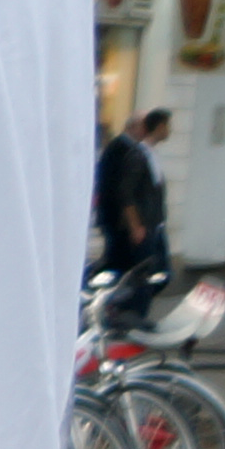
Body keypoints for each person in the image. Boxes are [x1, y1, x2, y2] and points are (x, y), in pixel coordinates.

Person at [93, 104, 173, 325]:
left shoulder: (145, 153)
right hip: (130, 224)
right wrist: (134, 225)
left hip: (150, 223)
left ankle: (123, 309)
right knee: (136, 271)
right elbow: (123, 192)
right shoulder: (131, 153)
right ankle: (128, 313)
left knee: (148, 271)